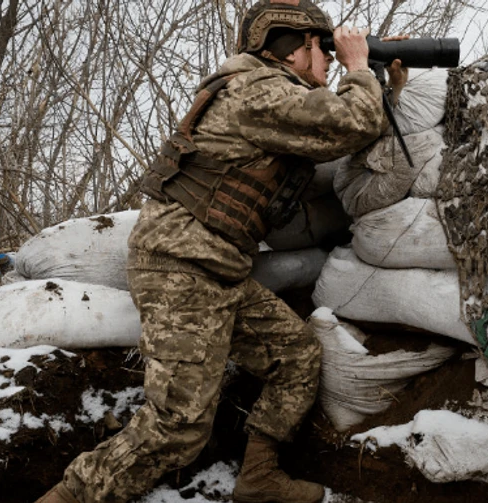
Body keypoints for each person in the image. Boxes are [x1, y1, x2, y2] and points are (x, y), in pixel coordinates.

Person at [37, 1, 405, 502]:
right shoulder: (256, 89)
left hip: (218, 269)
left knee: (295, 358)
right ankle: (67, 497)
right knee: (178, 426)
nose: (330, 60)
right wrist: (359, 66)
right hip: (182, 266)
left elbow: (351, 128)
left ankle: (259, 478)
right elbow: (348, 124)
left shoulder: (272, 96)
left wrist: (386, 86)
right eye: (323, 49)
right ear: (293, 50)